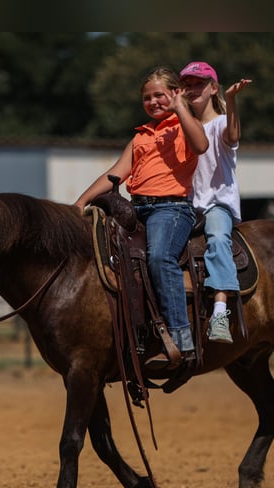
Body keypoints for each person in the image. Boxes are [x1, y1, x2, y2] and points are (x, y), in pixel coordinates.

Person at [75, 67, 208, 361]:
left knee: (160, 257)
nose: (153, 101)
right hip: (138, 209)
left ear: (175, 93)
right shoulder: (141, 136)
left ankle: (182, 337)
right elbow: (115, 174)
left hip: (172, 209)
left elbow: (201, 145)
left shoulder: (185, 126)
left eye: (160, 95)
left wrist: (181, 109)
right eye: (147, 97)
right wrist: (80, 202)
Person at [179, 61, 252, 344]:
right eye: (188, 84)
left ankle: (221, 312)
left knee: (218, 238)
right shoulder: (182, 126)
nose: (193, 88)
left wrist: (231, 101)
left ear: (213, 88)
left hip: (215, 204)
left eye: (199, 83)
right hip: (185, 204)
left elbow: (233, 136)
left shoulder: (221, 122)